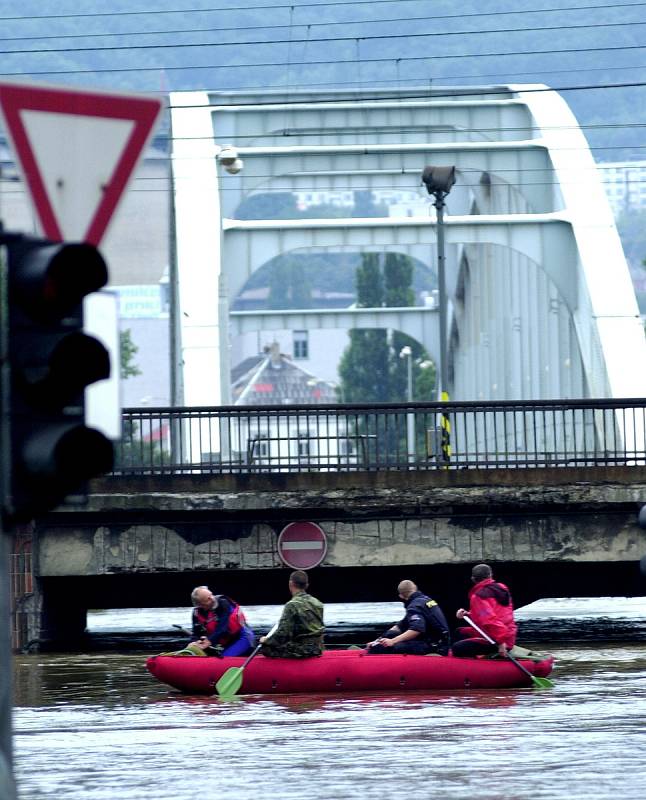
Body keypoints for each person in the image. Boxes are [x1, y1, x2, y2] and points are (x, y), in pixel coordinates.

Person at [366, 579, 450, 656]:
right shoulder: (425, 600)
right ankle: (374, 646)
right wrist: (377, 641)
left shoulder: (414, 606)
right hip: (439, 642)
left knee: (382, 648)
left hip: (435, 647)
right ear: (416, 588)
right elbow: (399, 627)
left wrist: (392, 641)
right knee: (391, 635)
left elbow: (416, 630)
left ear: (401, 596)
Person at [452, 563, 517, 658]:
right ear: (490, 575)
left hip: (497, 639)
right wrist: (467, 614)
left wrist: (501, 643)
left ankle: (472, 665)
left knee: (457, 648)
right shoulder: (502, 588)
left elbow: (490, 620)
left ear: (473, 579)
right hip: (505, 634)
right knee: (459, 632)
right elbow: (494, 614)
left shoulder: (478, 596)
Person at [259, 570, 325, 658]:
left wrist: (266, 641)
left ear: (290, 584)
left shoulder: (291, 605)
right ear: (306, 585)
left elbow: (282, 635)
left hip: (303, 651)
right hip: (318, 648)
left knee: (266, 648)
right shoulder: (318, 603)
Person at [188, 585, 256, 657]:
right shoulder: (196, 613)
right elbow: (196, 632)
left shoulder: (223, 602)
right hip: (225, 642)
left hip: (242, 637)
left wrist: (209, 641)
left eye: (211, 595)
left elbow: (222, 628)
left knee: (225, 657)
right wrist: (194, 642)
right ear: (200, 605)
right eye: (208, 599)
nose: (212, 598)